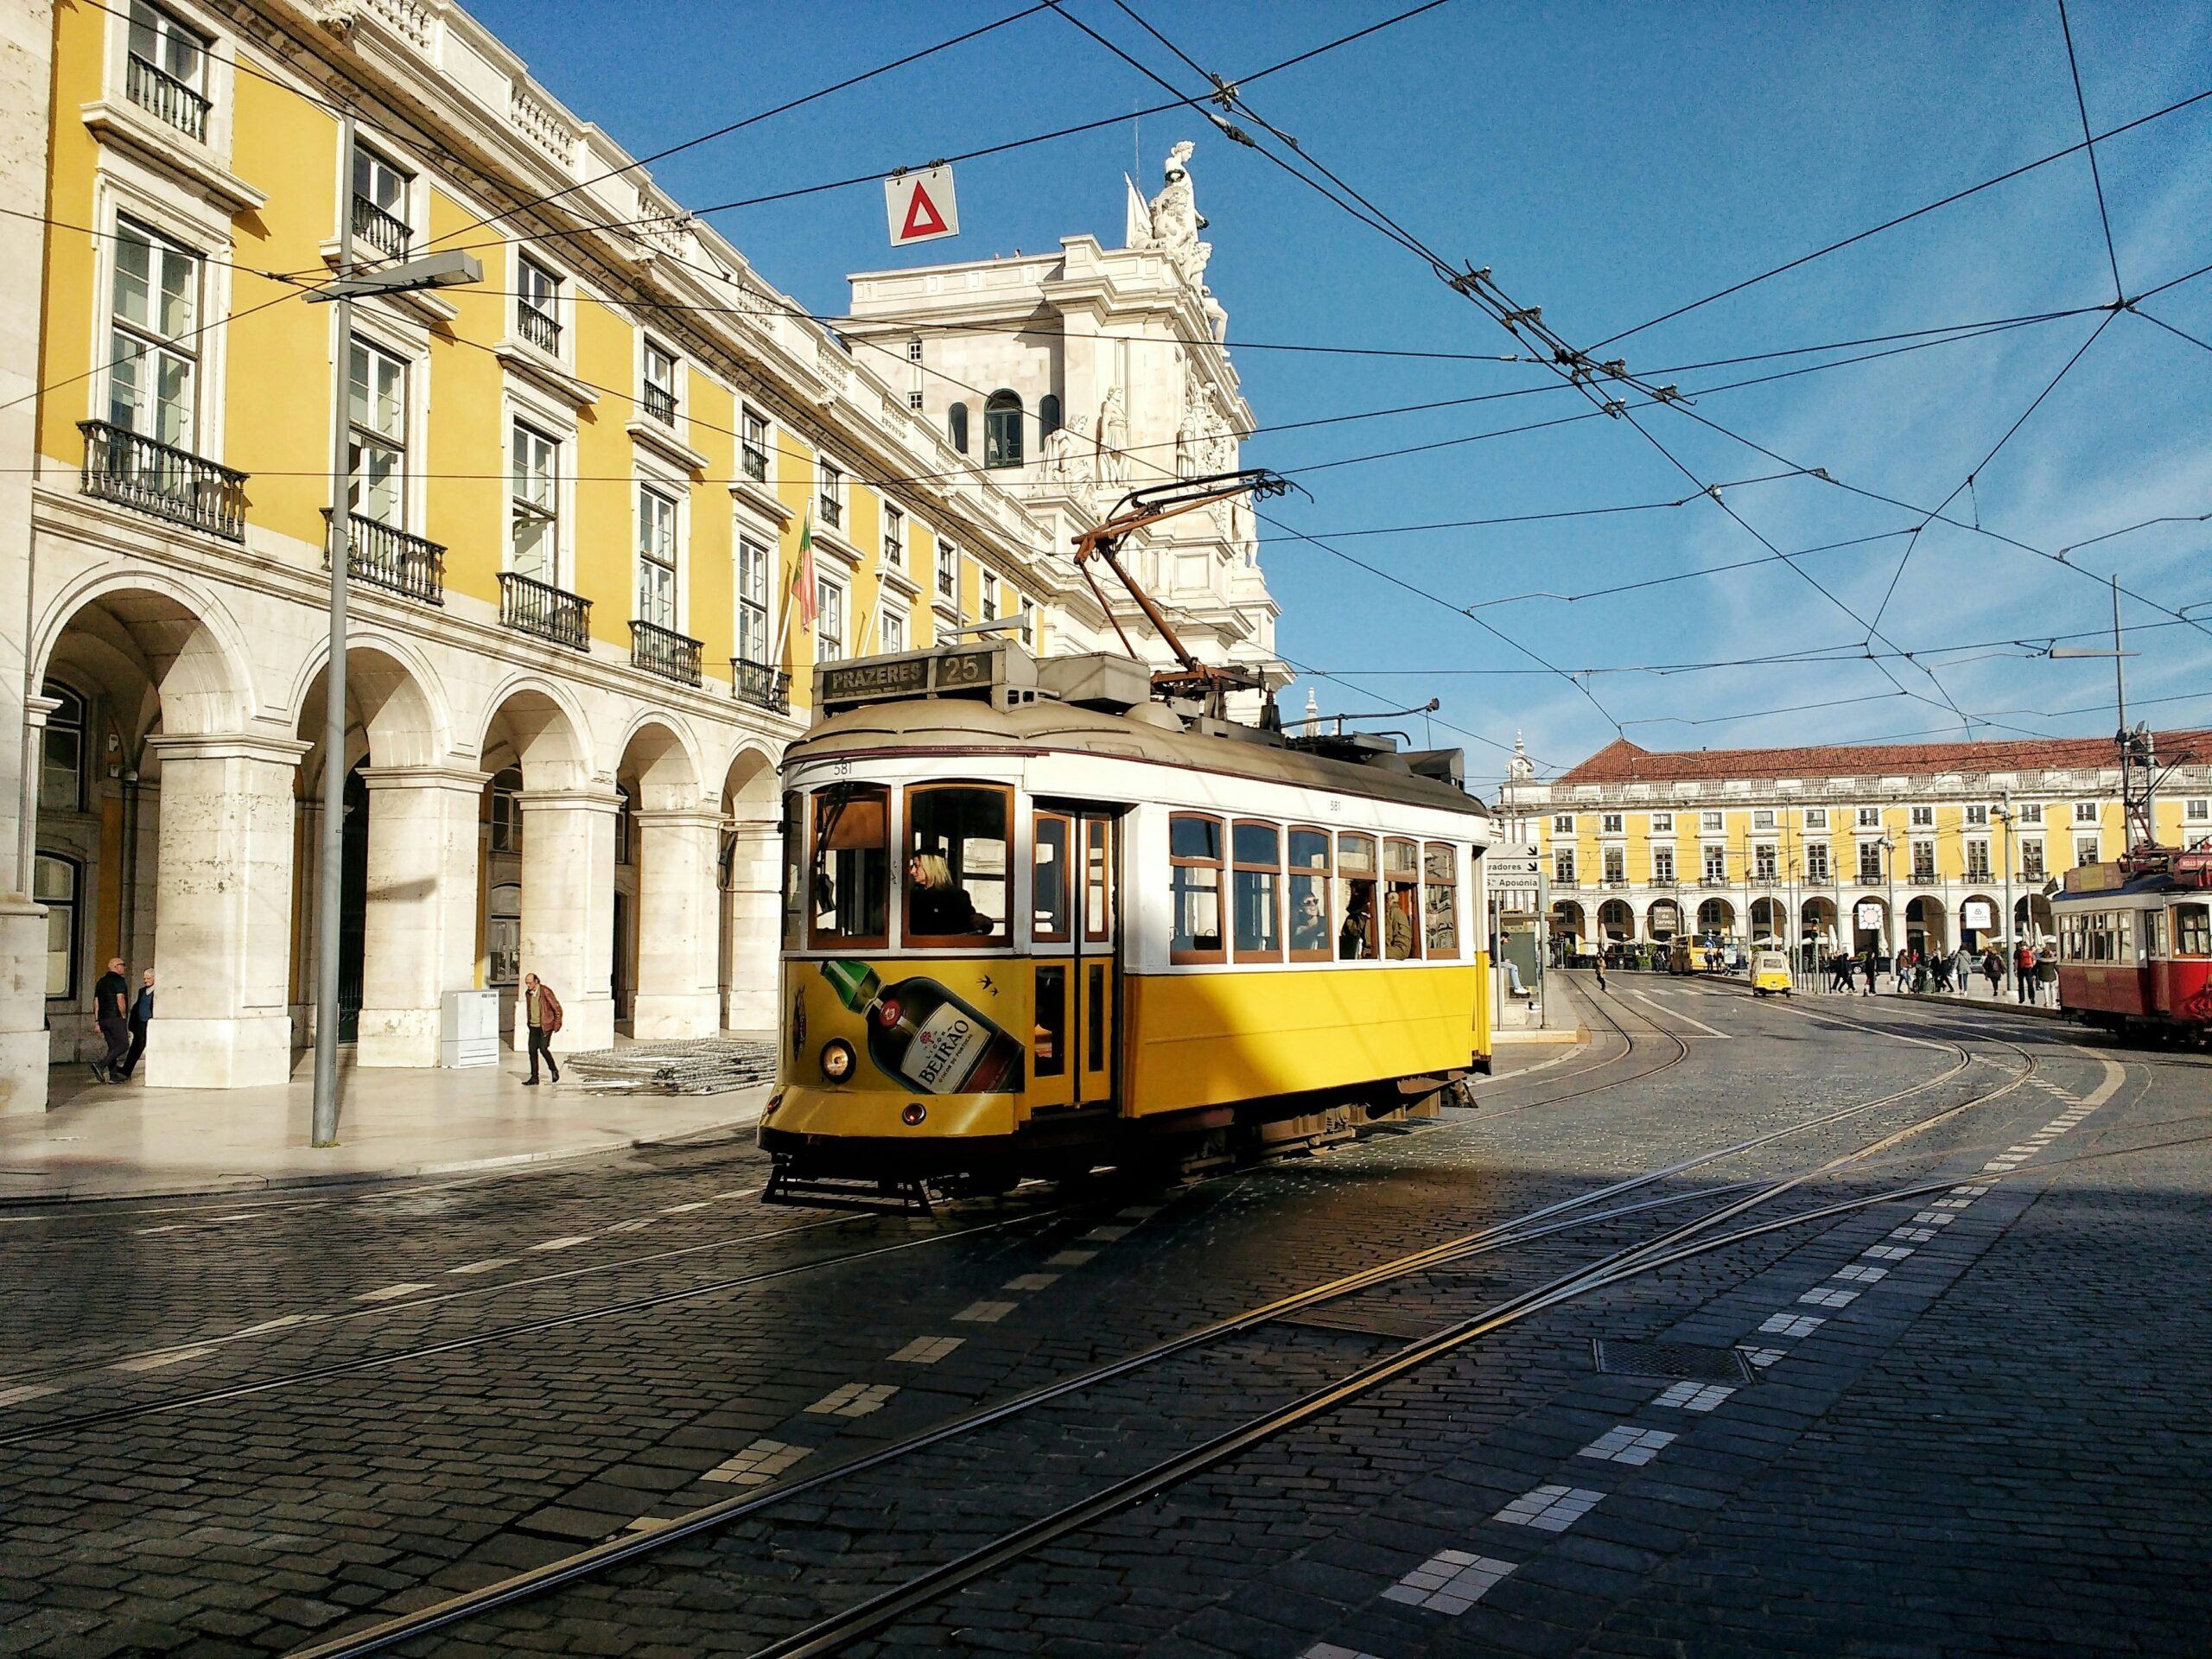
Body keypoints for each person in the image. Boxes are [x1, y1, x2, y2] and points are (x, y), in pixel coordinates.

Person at [908, 852, 991, 937]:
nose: (912, 871)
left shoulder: (957, 896)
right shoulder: (910, 896)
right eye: (912, 866)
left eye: (917, 866)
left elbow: (970, 926)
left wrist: (986, 923)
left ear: (931, 867)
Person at [89, 957, 130, 1084]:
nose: (124, 967)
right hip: (115, 1017)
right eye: (122, 965)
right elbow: (120, 999)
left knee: (113, 1047)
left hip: (103, 1018)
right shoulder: (119, 981)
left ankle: (113, 1075)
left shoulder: (101, 982)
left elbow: (96, 1002)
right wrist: (123, 1017)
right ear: (115, 967)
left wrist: (97, 1021)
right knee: (123, 1044)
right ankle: (100, 1065)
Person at [522, 972, 563, 1085]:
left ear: (536, 981)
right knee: (532, 1051)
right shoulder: (528, 993)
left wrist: (557, 1024)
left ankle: (553, 1069)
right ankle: (534, 1077)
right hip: (533, 1026)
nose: (528, 985)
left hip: (545, 1025)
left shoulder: (545, 991)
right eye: (526, 983)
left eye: (530, 983)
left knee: (543, 1049)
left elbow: (557, 1008)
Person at [115, 969, 155, 1081]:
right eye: (144, 978)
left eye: (148, 978)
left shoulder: (157, 992)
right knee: (135, 1047)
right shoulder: (142, 991)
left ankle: (127, 1070)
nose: (145, 980)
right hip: (140, 1023)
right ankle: (126, 1069)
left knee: (140, 1046)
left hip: (150, 1023)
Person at [1290, 888, 1329, 952]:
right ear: (1300, 908)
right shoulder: (1298, 930)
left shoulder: (1326, 924)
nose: (1313, 904)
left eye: (1315, 901)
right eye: (1308, 903)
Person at [2015, 940, 2037, 1004]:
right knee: (2030, 984)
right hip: (2029, 969)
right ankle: (2032, 998)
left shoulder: (2017, 952)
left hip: (2020, 969)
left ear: (2019, 945)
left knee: (2021, 984)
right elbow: (2034, 961)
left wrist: (2015, 970)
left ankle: (2022, 999)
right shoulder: (2030, 952)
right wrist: (2031, 966)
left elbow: (2016, 962)